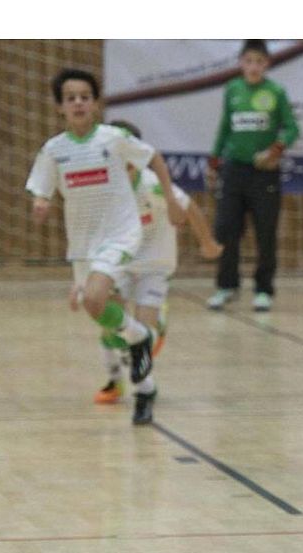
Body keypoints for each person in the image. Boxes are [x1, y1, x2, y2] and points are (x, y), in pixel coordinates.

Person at [27, 68, 186, 406]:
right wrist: (41, 204)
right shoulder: (54, 150)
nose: (78, 103)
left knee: (96, 296)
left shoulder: (113, 138)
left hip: (120, 233)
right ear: (60, 107)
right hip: (83, 244)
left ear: (95, 103)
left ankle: (137, 347)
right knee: (98, 310)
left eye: (85, 97)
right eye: (71, 98)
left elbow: (153, 157)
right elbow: (42, 189)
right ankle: (144, 373)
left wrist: (171, 199)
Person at [83, 119, 222, 425]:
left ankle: (145, 384)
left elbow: (189, 208)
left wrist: (208, 242)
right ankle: (115, 380)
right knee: (109, 320)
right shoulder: (103, 188)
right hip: (119, 263)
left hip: (153, 266)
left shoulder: (153, 184)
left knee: (144, 335)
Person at [207, 39, 300, 313]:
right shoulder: (233, 89)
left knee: (265, 232)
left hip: (264, 174)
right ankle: (227, 286)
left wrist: (276, 149)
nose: (253, 67)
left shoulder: (276, 92)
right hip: (233, 169)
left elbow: (292, 129)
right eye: (249, 61)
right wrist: (214, 158)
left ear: (267, 64)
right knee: (226, 229)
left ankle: (263, 289)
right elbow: (225, 126)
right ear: (241, 63)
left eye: (259, 61)